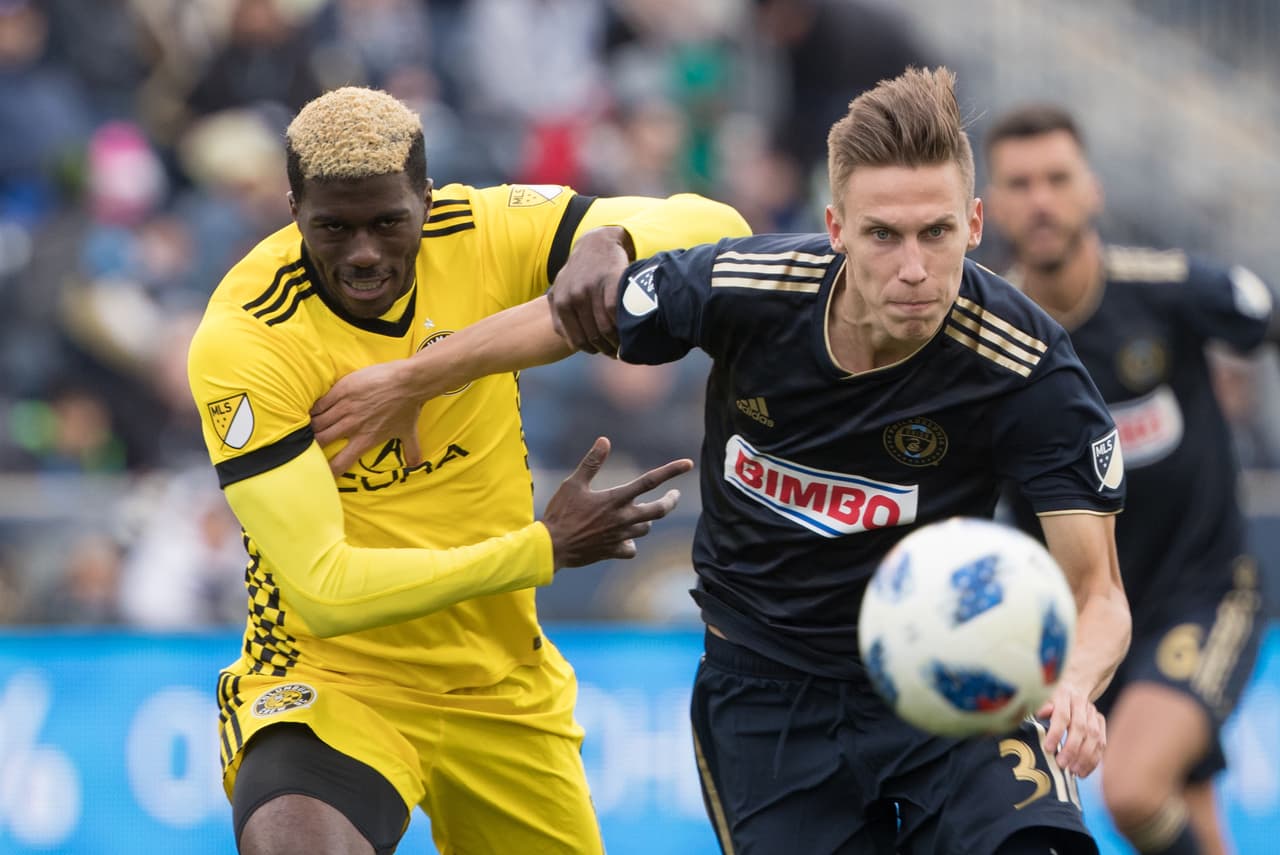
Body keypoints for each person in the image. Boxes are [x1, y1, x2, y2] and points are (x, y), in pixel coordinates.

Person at [311, 67, 1132, 854]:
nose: (913, 268)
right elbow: (569, 317)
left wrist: (1074, 683)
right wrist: (412, 380)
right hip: (767, 693)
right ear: (836, 228)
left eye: (937, 233)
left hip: (956, 669)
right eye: (883, 234)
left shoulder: (1028, 365)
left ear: (975, 224)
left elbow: (1099, 595)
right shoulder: (748, 287)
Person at [186, 85, 751, 855]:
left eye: (389, 222)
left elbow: (723, 228)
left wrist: (611, 237)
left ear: (427, 199)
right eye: (333, 227)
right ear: (293, 210)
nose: (363, 252)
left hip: (501, 682)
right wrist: (540, 549)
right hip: (334, 681)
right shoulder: (250, 336)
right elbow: (322, 588)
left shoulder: (481, 229)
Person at [983, 104, 1272, 855]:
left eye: (1057, 179)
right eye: (1020, 183)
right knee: (1189, 812)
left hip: (1204, 590)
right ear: (991, 207)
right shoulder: (985, 337)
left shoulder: (1171, 290)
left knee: (1135, 789)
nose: (1041, 200)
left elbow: (1265, 319)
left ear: (1093, 190)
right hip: (1082, 620)